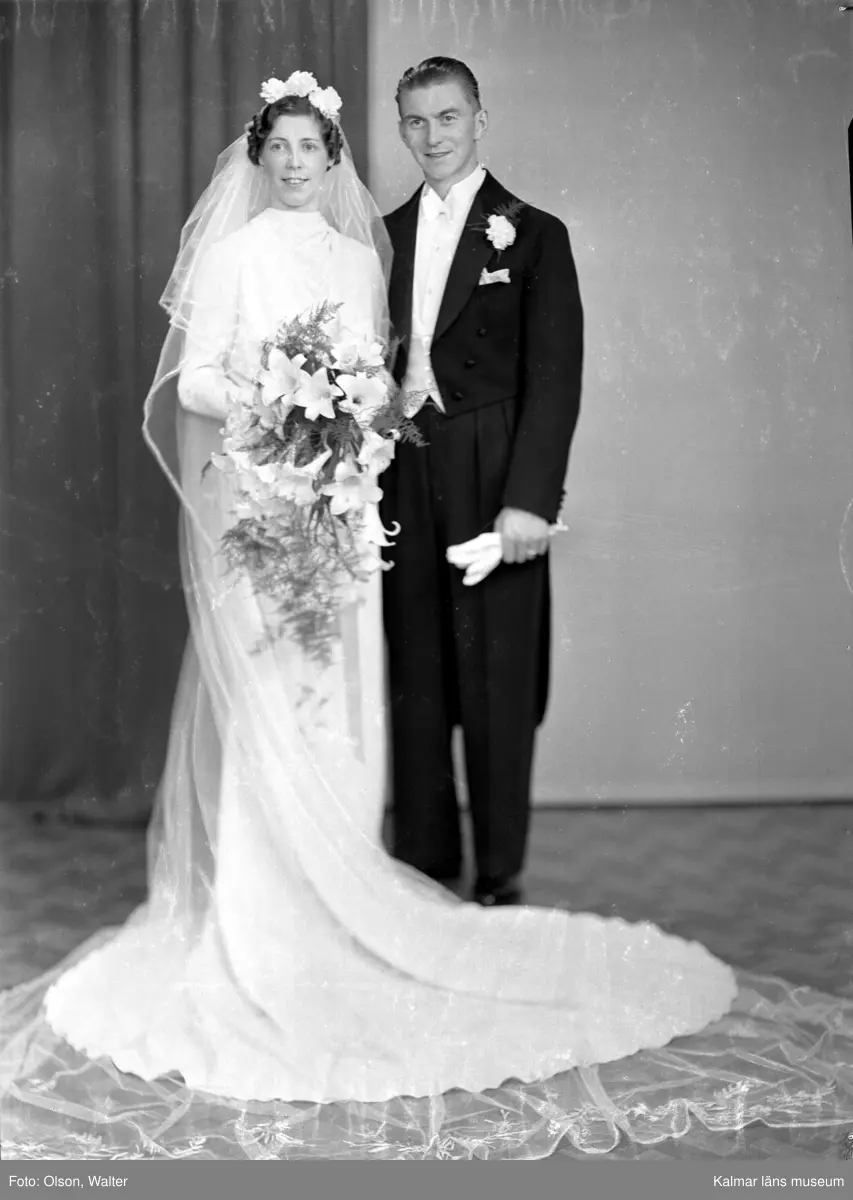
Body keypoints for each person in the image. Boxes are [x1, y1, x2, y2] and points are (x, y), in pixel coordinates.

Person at [0, 72, 845, 1163]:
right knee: (329, 694)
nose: (299, 163)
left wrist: (474, 474)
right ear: (269, 154)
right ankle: (299, 903)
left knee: (410, 691)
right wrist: (285, 407)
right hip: (300, 494)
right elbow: (222, 377)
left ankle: (451, 880)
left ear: (350, 152)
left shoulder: (435, 247)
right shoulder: (294, 247)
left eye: (314, 147)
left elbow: (503, 375)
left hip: (397, 497)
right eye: (283, 147)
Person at [381, 57, 583, 906]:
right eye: (415, 120)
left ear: (478, 119)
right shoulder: (380, 233)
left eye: (448, 117)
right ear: (400, 127)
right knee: (415, 664)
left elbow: (555, 378)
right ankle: (424, 859)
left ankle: (498, 869)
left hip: (495, 466)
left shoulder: (533, 233)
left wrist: (529, 501)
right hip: (401, 463)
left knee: (497, 668)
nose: (432, 136)